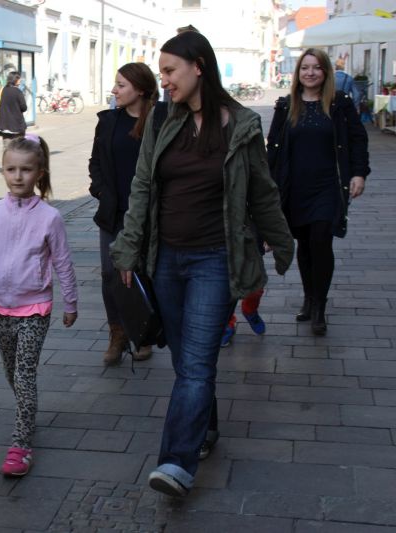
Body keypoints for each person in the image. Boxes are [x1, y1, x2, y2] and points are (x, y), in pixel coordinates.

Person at [110, 31, 293, 497]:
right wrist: (128, 247)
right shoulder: (160, 120)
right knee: (186, 360)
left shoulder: (242, 124)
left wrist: (281, 241)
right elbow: (142, 186)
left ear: (199, 67)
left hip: (215, 260)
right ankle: (204, 428)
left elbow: (262, 191)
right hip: (167, 259)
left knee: (195, 364)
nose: (164, 80)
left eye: (170, 71)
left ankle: (176, 462)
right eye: (162, 72)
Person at [0, 134, 78, 477]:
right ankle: (27, 413)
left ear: (39, 173)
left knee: (24, 374)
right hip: (1, 307)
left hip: (35, 307)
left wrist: (70, 302)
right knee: (10, 372)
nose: (18, 176)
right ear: (2, 170)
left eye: (26, 170)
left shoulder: (49, 217)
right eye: (11, 169)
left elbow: (62, 262)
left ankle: (21, 444)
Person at [267, 48, 369, 336]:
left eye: (316, 67)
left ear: (325, 72)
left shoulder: (339, 103)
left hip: (328, 186)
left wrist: (359, 173)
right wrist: (265, 185)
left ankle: (320, 307)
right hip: (295, 187)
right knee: (305, 243)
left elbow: (357, 139)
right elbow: (273, 147)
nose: (310, 73)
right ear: (298, 73)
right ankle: (309, 297)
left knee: (321, 240)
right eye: (305, 68)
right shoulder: (286, 105)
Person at [89, 62, 165, 365]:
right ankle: (117, 333)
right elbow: (95, 162)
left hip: (148, 214)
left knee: (141, 272)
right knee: (110, 274)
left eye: (121, 85)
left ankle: (142, 334)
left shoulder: (161, 121)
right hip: (113, 212)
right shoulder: (108, 121)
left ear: (141, 89)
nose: (114, 90)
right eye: (115, 84)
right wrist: (100, 191)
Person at [0, 71, 27, 148]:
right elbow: (24, 108)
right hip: (17, 125)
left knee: (7, 148)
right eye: (19, 79)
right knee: (19, 148)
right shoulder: (18, 92)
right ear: (15, 79)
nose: (20, 80)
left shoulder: (1, 91)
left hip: (4, 125)